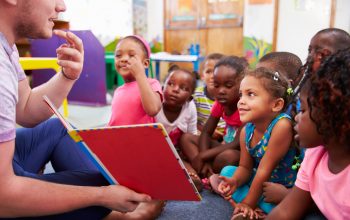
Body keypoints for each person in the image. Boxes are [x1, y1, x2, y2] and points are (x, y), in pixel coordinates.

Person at [0, 1, 161, 219]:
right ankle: (117, 215)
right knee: (102, 187)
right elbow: (2, 197)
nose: (62, 6)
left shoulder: (7, 47)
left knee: (58, 127)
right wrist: (101, 196)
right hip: (4, 191)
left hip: (9, 161)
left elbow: (26, 109)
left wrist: (67, 76)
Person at [267, 48, 350, 219]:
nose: (296, 117)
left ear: (335, 117)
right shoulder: (315, 155)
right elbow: (285, 212)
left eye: (303, 110)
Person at [217, 67, 298, 219]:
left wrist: (248, 202)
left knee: (280, 201)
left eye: (251, 94)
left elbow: (264, 171)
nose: (241, 101)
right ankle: (259, 211)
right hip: (260, 182)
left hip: (281, 188)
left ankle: (251, 208)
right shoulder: (246, 131)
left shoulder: (281, 126)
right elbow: (245, 167)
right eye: (241, 95)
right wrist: (234, 181)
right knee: (227, 172)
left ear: (276, 105)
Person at [180, 56, 245, 180]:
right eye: (216, 85)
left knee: (229, 156)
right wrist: (206, 158)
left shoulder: (244, 106)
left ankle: (204, 172)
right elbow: (206, 132)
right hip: (222, 147)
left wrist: (202, 156)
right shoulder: (220, 103)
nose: (221, 91)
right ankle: (204, 171)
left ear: (242, 85)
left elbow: (236, 144)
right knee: (186, 138)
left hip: (239, 153)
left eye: (228, 85)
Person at [255, 52, 303, 205]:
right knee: (229, 172)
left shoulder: (293, 117)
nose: (257, 80)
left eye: (264, 76)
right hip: (265, 178)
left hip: (290, 185)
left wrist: (289, 194)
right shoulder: (262, 107)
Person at [155, 68, 201, 190]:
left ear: (190, 98)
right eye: (171, 84)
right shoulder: (155, 102)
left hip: (176, 154)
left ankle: (186, 178)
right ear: (163, 86)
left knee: (194, 180)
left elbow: (191, 135)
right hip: (153, 152)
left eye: (184, 88)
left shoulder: (190, 107)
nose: (175, 90)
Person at [108, 35, 162, 126]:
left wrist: (140, 74)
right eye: (118, 55)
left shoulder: (151, 84)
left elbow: (153, 109)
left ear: (145, 63)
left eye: (131, 55)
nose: (124, 59)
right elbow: (113, 123)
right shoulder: (118, 91)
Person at [193, 53, 226, 139]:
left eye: (216, 71)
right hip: (204, 134)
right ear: (202, 76)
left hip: (226, 137)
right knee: (186, 138)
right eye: (208, 71)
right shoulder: (196, 95)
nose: (212, 76)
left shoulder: (229, 96)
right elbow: (191, 121)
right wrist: (205, 130)